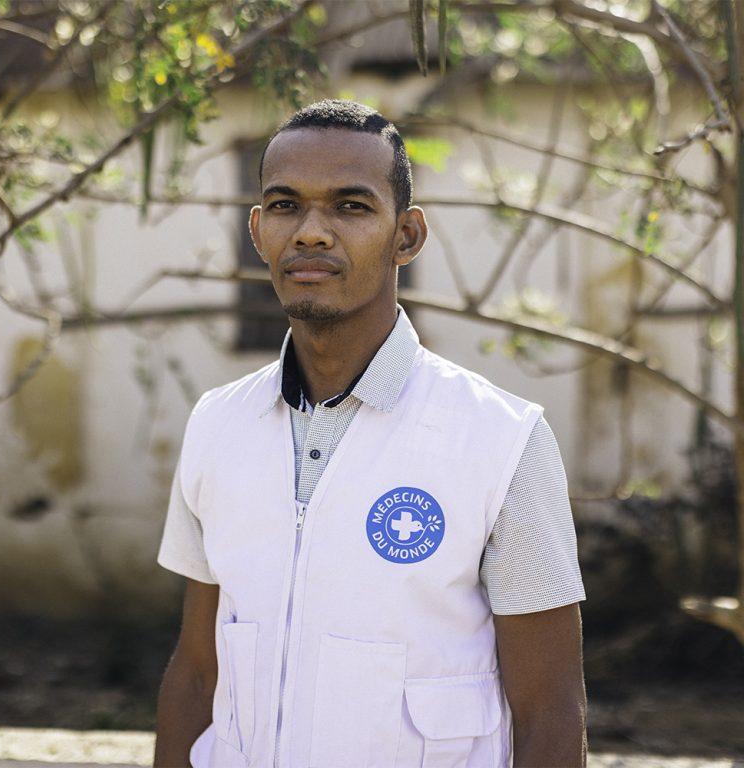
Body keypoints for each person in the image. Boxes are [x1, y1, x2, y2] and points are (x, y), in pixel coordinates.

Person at [153, 99, 587, 768]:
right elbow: (196, 673)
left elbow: (550, 710)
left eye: (351, 207)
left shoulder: (501, 440)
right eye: (286, 205)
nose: (311, 233)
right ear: (258, 231)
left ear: (406, 236)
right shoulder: (218, 424)